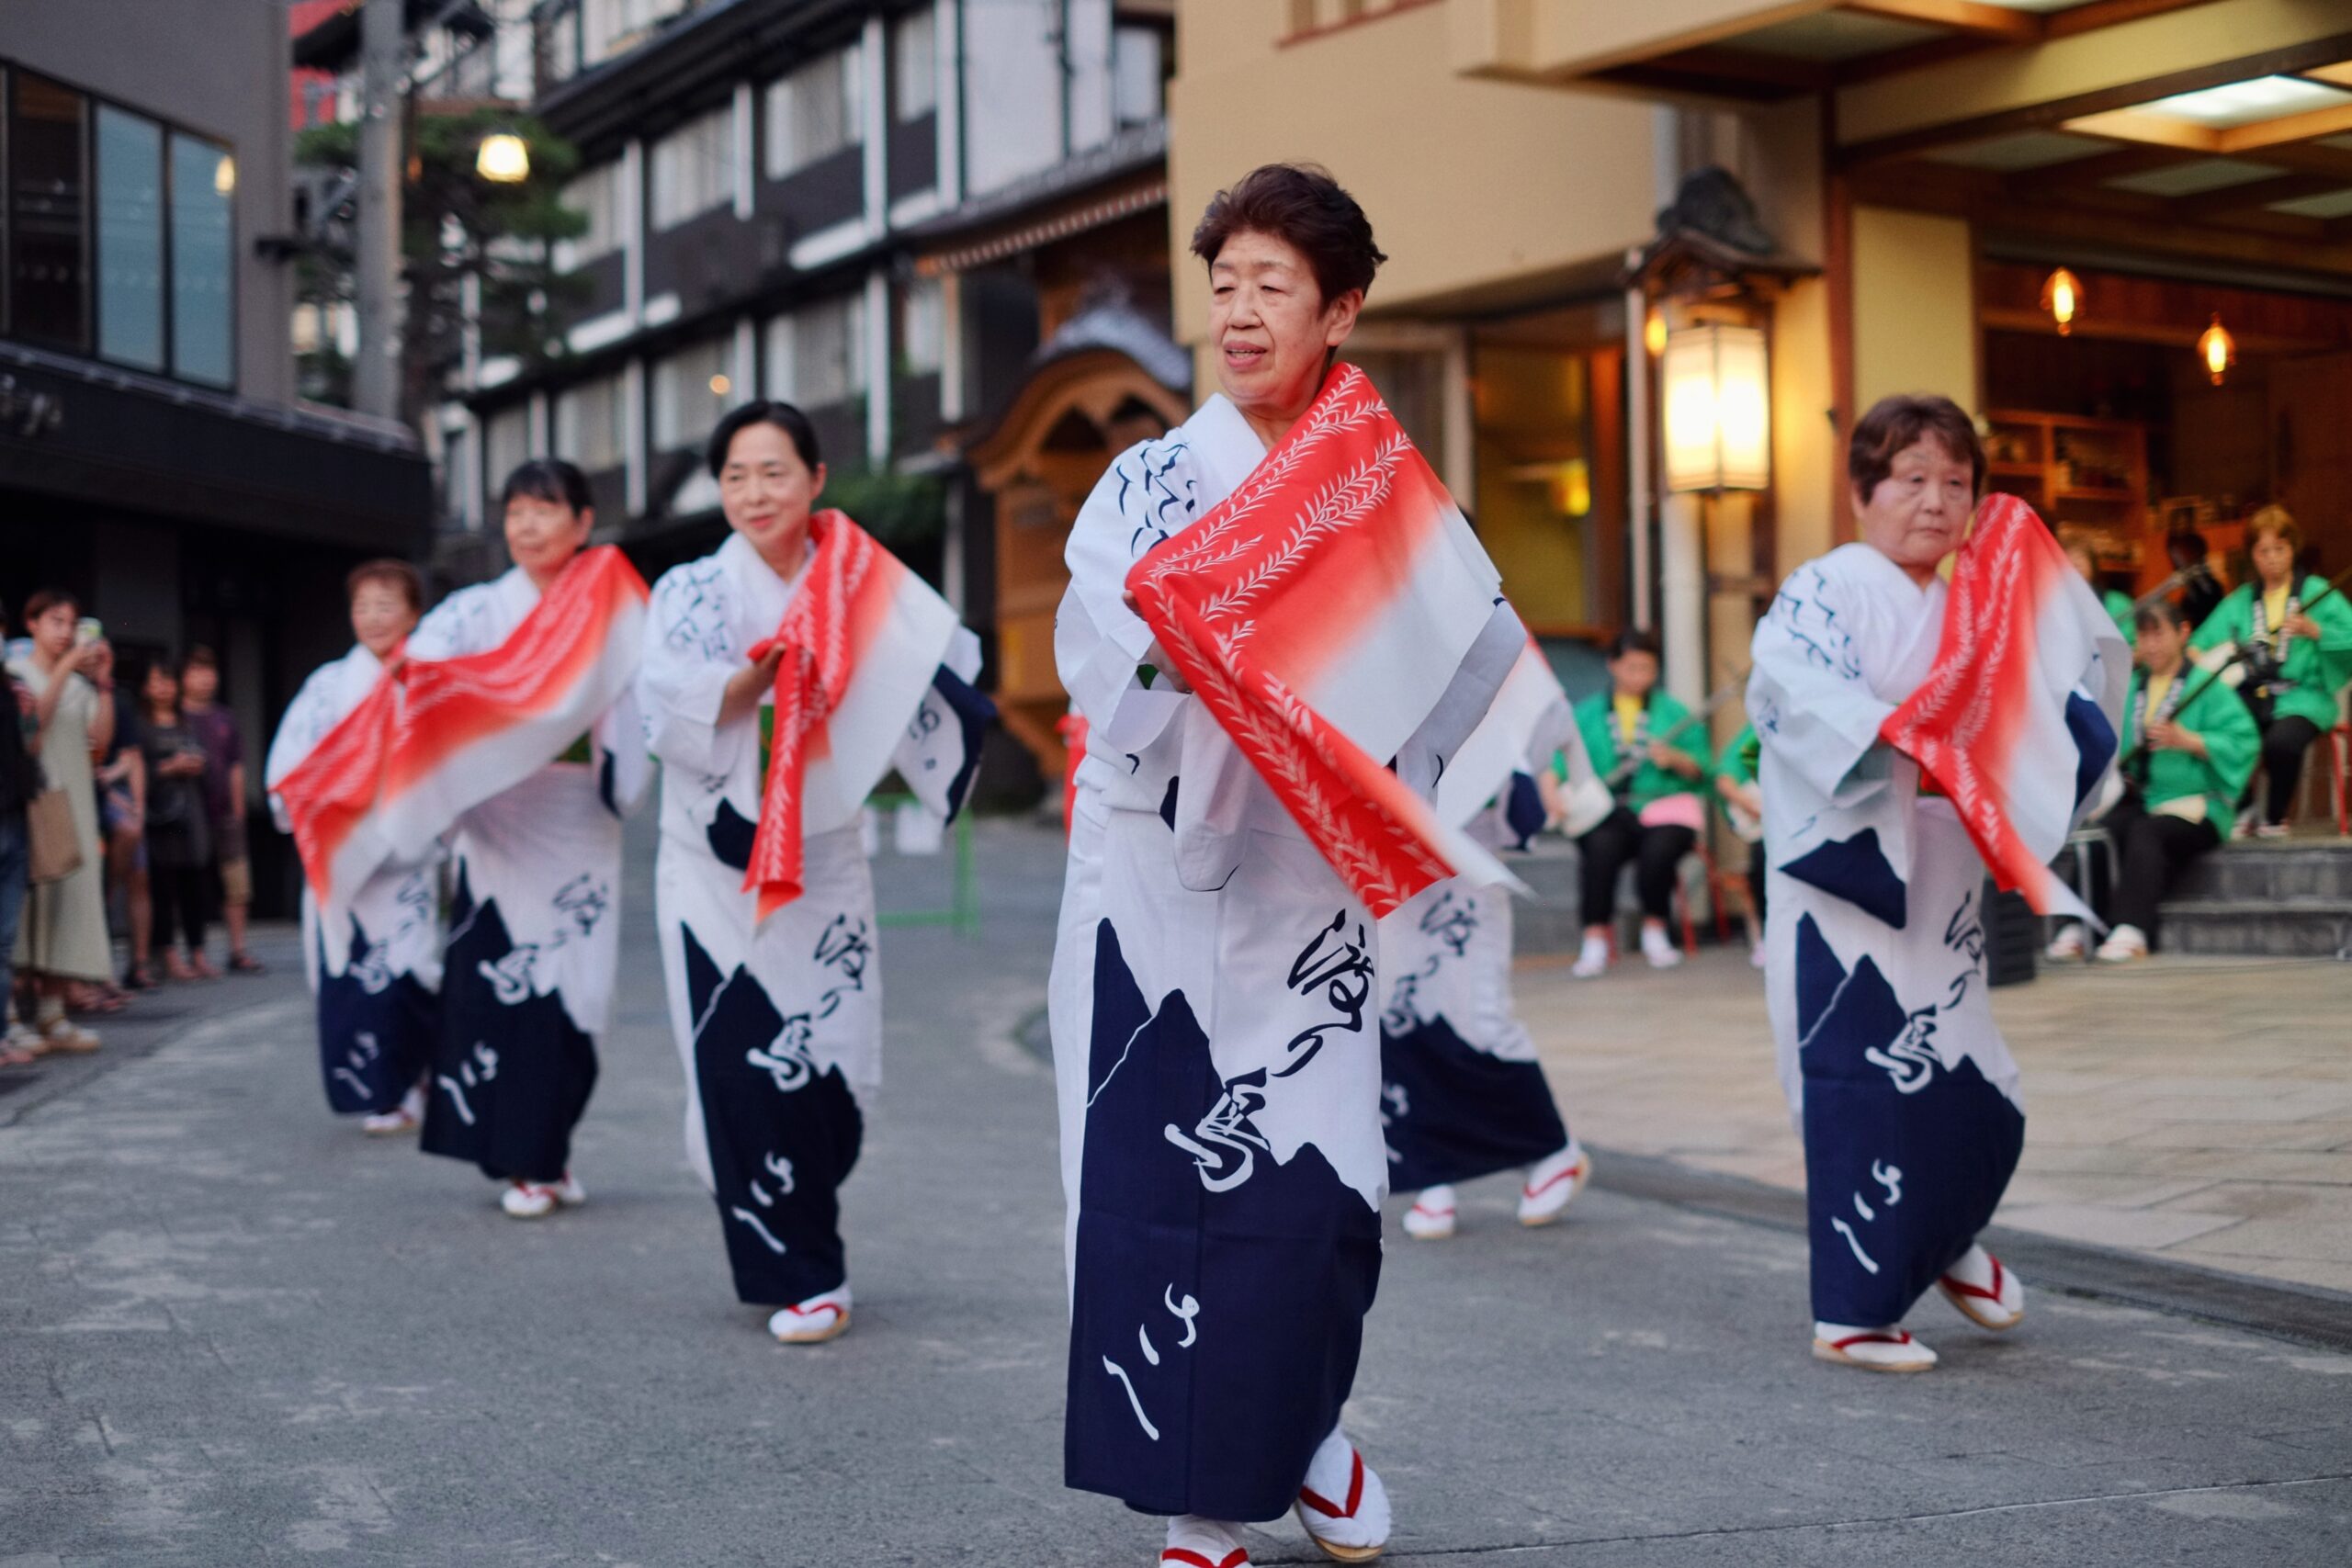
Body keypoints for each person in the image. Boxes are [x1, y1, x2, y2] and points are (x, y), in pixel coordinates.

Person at [1051, 164, 1518, 1568]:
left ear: (1343, 310)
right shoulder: (1149, 473)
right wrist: (1204, 633)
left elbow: (1469, 641)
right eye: (1227, 285)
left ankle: (1304, 1423)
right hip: (1154, 866)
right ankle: (1205, 1501)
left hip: (1312, 863)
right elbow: (1100, 649)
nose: (1242, 314)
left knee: (1316, 1181)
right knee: (1152, 1173)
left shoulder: (1382, 484)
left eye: (1274, 287)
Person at [639, 401, 989, 1345]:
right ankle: (805, 1267)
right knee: (738, 1058)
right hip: (713, 868)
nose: (755, 494)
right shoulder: (689, 591)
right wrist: (751, 683)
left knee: (828, 1050)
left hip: (822, 854)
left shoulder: (860, 576)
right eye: (736, 476)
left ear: (815, 480)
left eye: (774, 472)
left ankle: (805, 1211)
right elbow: (661, 695)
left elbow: (938, 661)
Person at [1749, 395, 2067, 1374]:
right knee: (1855, 1082)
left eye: (1956, 483)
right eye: (1911, 479)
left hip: (1943, 874)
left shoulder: (1979, 593)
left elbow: (2044, 701)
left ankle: (1942, 1241)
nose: (1935, 503)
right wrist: (1914, 740)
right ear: (1860, 493)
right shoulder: (1824, 588)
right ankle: (1851, 1311)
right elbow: (1797, 699)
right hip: (1846, 883)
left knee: (1977, 1084)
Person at [402, 460, 649, 1218]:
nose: (527, 525)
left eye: (545, 509)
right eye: (514, 511)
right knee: (496, 984)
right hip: (498, 815)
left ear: (582, 523)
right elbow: (424, 666)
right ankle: (527, 1160)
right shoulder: (474, 609)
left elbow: (643, 695)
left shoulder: (614, 607)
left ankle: (551, 1147)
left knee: (575, 987)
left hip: (575, 815)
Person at [1383, 643, 1591, 1243]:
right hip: (1386, 830)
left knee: (1476, 1014)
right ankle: (1432, 1178)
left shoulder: (1469, 598)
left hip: (1465, 840)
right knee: (1396, 1009)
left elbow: (1535, 707)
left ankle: (1551, 1148)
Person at [266, 560, 443, 1135]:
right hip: (342, 858)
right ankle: (381, 1092)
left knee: (411, 971)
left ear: (414, 614)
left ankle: (415, 1078)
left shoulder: (430, 678)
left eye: (386, 605)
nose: (371, 618)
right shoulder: (326, 687)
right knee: (350, 975)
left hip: (406, 855)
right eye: (362, 606)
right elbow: (289, 764)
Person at [2051, 600, 2257, 964]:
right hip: (2148, 798)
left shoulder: (2207, 686)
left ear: (2183, 633)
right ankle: (2077, 926)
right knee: (2104, 832)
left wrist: (2192, 740)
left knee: (2146, 832)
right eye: (2144, 635)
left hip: (2199, 803)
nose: (2151, 644)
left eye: (2159, 633)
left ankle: (2133, 928)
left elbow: (2245, 741)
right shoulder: (2134, 688)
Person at [2189, 506, 2352, 837]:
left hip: (2304, 698)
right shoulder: (2239, 601)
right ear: (2252, 556)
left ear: (2293, 549)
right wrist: (2211, 657)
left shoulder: (2317, 592)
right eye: (2263, 551)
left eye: (2280, 548)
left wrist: (2316, 630)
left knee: (2280, 743)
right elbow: (2197, 645)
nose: (2273, 558)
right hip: (2252, 694)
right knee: (2218, 730)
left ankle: (2274, 817)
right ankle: (2243, 802)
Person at [1566, 629, 1713, 976]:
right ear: (1613, 665)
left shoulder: (1674, 711)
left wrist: (1676, 759)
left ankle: (1656, 929)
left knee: (1660, 850)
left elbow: (1703, 766)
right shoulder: (1586, 713)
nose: (1639, 677)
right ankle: (1595, 937)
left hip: (1663, 806)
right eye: (1631, 668)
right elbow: (1563, 762)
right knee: (1599, 848)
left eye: (1647, 669)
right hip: (1610, 807)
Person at [9, 591, 113, 1055]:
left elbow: (102, 744)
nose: (66, 631)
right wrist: (68, 666)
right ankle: (11, 1015)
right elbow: (31, 731)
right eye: (55, 621)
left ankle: (53, 1013)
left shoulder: (80, 684)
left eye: (71, 623)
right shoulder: (16, 673)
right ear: (31, 623)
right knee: (22, 909)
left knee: (68, 904)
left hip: (76, 802)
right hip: (32, 801)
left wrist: (104, 683)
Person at [179, 647, 262, 975]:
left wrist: (238, 810)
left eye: (209, 670)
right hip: (187, 815)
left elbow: (236, 766)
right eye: (197, 671)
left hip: (225, 813)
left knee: (236, 883)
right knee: (193, 884)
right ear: (184, 676)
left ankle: (238, 949)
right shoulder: (178, 716)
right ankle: (192, 954)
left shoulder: (225, 717)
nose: (204, 678)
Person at [136, 660, 214, 982]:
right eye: (157, 682)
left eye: (168, 681)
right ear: (146, 688)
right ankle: (168, 954)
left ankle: (197, 952)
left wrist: (196, 764)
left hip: (190, 814)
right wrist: (169, 768)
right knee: (163, 887)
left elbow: (203, 760)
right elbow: (137, 771)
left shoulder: (186, 722)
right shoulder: (141, 726)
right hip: (160, 815)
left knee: (193, 885)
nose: (164, 688)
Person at [0, 649, 40, 1066]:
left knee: (5, 941)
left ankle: (1, 1035)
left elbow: (32, 749)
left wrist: (29, 715)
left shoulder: (13, 691)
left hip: (14, 818)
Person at [1713, 721, 1768, 966]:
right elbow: (1726, 774)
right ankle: (1766, 935)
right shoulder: (1763, 724)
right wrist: (1747, 803)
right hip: (1769, 823)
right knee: (1762, 860)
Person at [2065, 534, 2136, 648]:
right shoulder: (2054, 609)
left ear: (2093, 565)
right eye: (2066, 560)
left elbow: (2135, 648)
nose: (2073, 565)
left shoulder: (2119, 603)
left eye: (2078, 560)